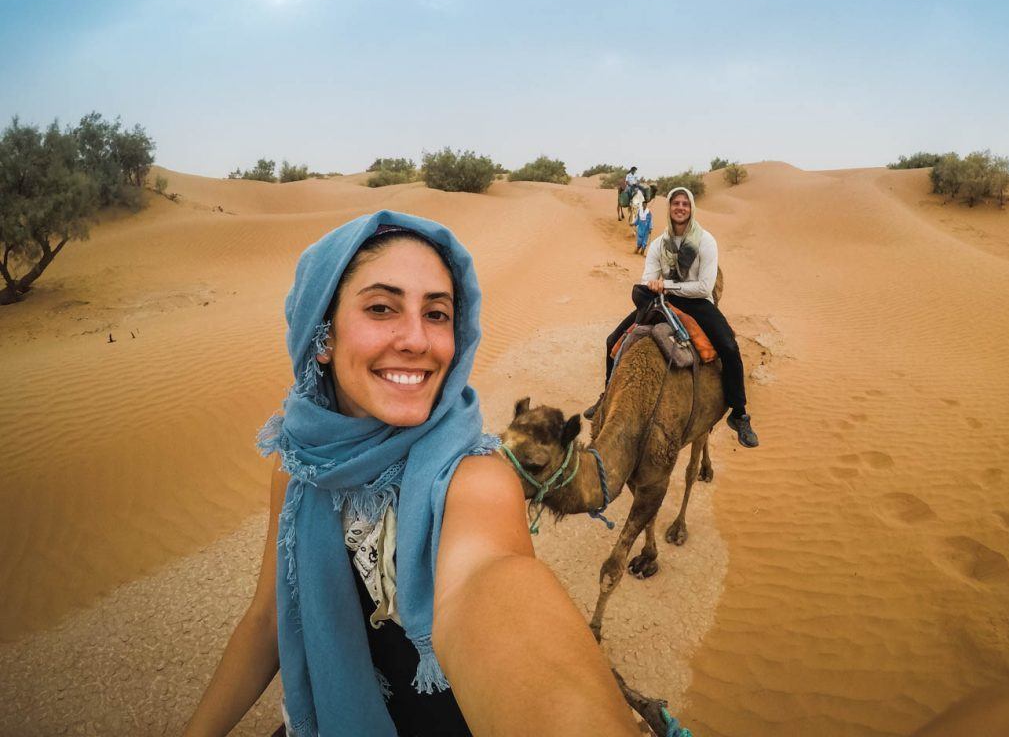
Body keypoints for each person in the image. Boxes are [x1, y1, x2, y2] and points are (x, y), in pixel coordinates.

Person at [184, 211, 638, 737]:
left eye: (438, 314)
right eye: (382, 308)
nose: (418, 340)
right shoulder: (301, 472)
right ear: (322, 336)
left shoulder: (475, 481)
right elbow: (266, 622)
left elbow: (491, 582)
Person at [589, 187, 760, 448]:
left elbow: (703, 286)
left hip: (697, 302)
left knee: (728, 345)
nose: (680, 208)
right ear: (669, 208)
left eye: (685, 204)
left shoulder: (705, 241)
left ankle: (739, 414)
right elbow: (648, 279)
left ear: (691, 208)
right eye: (675, 204)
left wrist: (667, 286)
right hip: (662, 300)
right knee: (612, 340)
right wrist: (656, 287)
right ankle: (606, 396)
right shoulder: (660, 243)